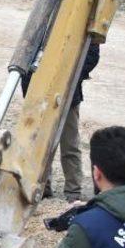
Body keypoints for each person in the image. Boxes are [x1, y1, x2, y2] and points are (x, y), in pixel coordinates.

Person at [22, 43, 99, 202]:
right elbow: (29, 53)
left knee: (69, 145)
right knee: (40, 143)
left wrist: (68, 76)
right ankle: (42, 187)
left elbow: (91, 55)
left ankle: (73, 192)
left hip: (68, 95)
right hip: (41, 94)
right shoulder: (45, 22)